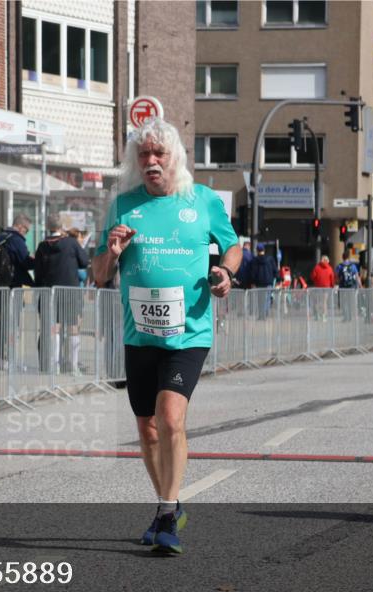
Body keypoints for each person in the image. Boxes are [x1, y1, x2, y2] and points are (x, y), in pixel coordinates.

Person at [92, 117, 241, 555]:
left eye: (159, 154)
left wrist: (225, 271)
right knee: (148, 428)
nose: (152, 161)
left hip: (188, 330)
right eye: (144, 155)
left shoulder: (203, 200)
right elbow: (99, 275)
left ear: (175, 156)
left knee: (171, 417)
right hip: (140, 335)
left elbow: (233, 246)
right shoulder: (123, 205)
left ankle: (164, 514)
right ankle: (168, 505)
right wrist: (112, 252)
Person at [35, 214, 89, 375]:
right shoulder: (71, 243)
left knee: (54, 328)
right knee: (73, 328)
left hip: (50, 292)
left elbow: (38, 273)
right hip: (71, 291)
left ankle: (55, 365)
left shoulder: (42, 246)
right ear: (61, 227)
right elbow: (84, 261)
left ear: (47, 226)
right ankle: (73, 366)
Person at [0, 214, 35, 363]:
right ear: (20, 227)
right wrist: (36, 260)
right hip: (13, 286)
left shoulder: (0, 237)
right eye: (27, 230)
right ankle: (10, 357)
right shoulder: (16, 240)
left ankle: (0, 357)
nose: (27, 233)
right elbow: (24, 262)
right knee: (13, 322)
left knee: (3, 321)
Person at [249, 243, 277, 320]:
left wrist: (252, 282)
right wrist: (277, 279)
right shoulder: (270, 259)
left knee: (260, 300)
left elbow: (253, 273)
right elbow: (275, 271)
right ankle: (266, 314)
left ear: (257, 250)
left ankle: (261, 316)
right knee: (267, 299)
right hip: (268, 282)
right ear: (264, 250)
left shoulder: (254, 260)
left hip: (259, 283)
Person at [336, 256, 361, 322]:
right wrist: (359, 284)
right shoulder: (353, 266)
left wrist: (338, 283)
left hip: (343, 287)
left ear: (342, 257)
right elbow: (357, 275)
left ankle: (346, 317)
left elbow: (337, 277)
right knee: (350, 302)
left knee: (344, 302)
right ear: (348, 257)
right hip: (351, 287)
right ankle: (350, 317)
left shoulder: (340, 266)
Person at [310, 255, 335, 321]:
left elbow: (312, 276)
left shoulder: (317, 267)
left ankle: (317, 316)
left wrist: (316, 280)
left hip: (318, 287)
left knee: (317, 301)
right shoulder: (329, 268)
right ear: (327, 261)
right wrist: (332, 285)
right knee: (324, 302)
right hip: (326, 287)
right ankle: (324, 316)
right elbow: (332, 278)